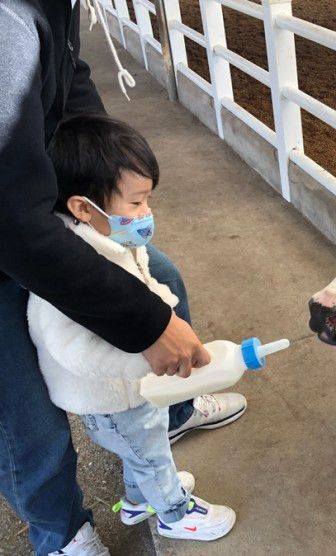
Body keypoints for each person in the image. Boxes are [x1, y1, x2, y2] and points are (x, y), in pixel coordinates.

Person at [0, 2, 242, 553]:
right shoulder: (6, 23)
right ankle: (61, 536)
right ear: (84, 210)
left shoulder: (48, 9)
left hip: (40, 204)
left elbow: (67, 73)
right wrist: (147, 331)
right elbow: (11, 220)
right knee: (26, 423)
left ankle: (173, 409)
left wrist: (107, 167)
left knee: (163, 275)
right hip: (15, 224)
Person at [28, 113, 237, 543]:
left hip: (132, 392)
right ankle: (173, 513)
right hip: (111, 399)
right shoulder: (67, 270)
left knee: (143, 449)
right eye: (137, 202)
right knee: (153, 454)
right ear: (83, 208)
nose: (147, 213)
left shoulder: (110, 241)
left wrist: (166, 312)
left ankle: (138, 501)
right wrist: (140, 356)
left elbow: (142, 283)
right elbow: (73, 350)